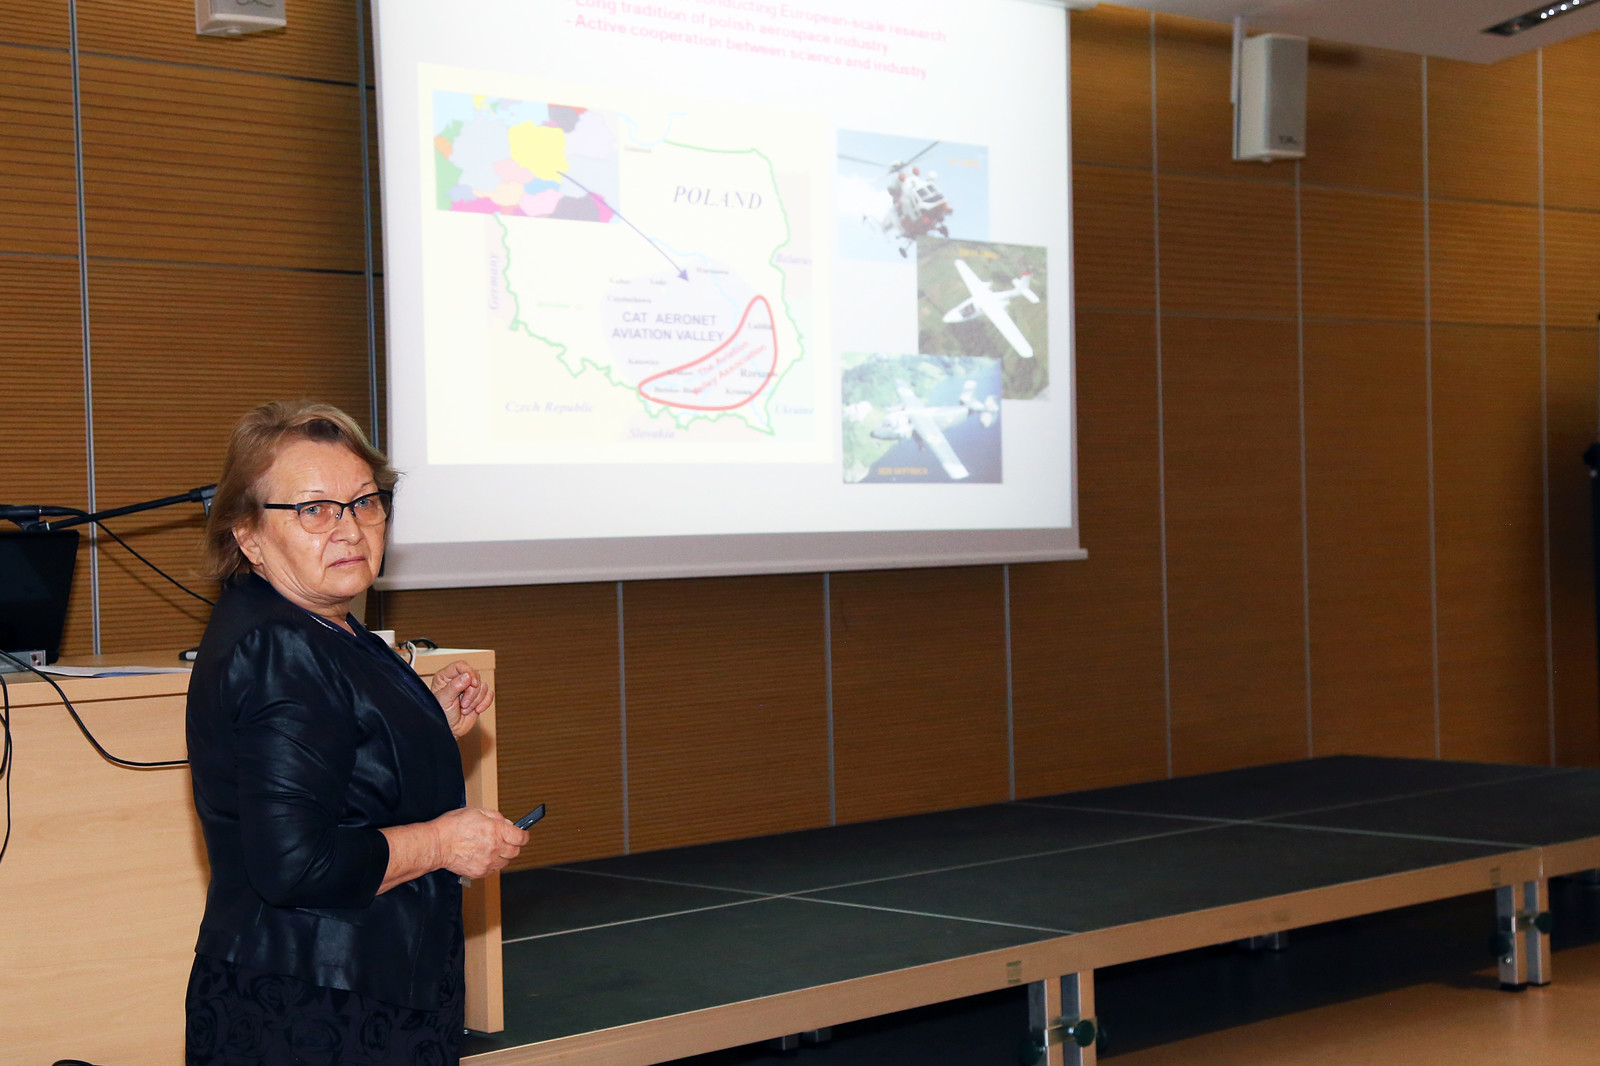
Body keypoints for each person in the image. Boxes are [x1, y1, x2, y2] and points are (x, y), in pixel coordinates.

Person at [184, 400, 528, 1065]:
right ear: (247, 536)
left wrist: (420, 718)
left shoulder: (323, 622)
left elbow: (334, 759)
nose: (349, 529)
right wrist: (443, 842)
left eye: (365, 503)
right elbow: (297, 865)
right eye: (314, 509)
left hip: (352, 992)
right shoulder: (278, 645)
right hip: (314, 1014)